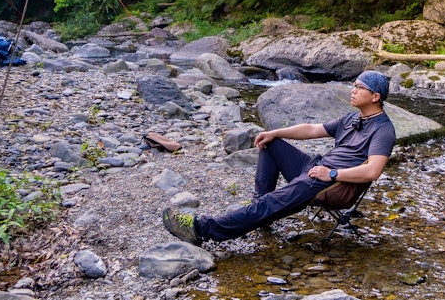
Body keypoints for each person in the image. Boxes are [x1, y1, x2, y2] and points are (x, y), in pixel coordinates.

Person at [161, 70, 396, 245]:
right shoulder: (351, 119)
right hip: (317, 168)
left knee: (271, 202)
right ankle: (260, 208)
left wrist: (332, 174)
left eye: (359, 87)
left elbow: (372, 171)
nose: (353, 91)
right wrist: (274, 132)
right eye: (353, 85)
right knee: (270, 144)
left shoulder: (383, 130)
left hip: (334, 183)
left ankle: (201, 229)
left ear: (375, 96)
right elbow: (312, 129)